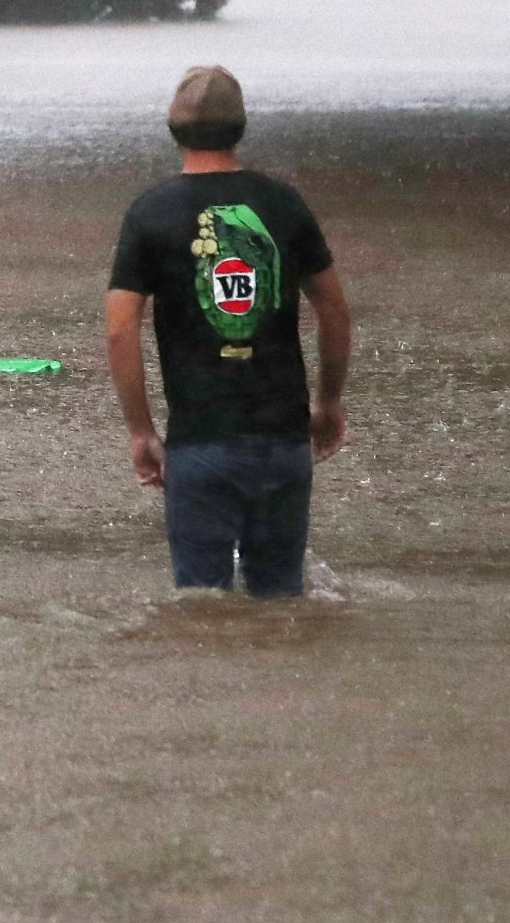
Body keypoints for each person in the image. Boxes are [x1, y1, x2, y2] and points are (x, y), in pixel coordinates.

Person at [107, 65, 353, 599]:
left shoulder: (150, 213)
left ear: (173, 130)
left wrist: (140, 430)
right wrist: (327, 402)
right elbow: (334, 311)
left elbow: (120, 330)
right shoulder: (284, 205)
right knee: (282, 606)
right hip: (283, 441)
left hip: (200, 445)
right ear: (240, 127)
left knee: (201, 610)